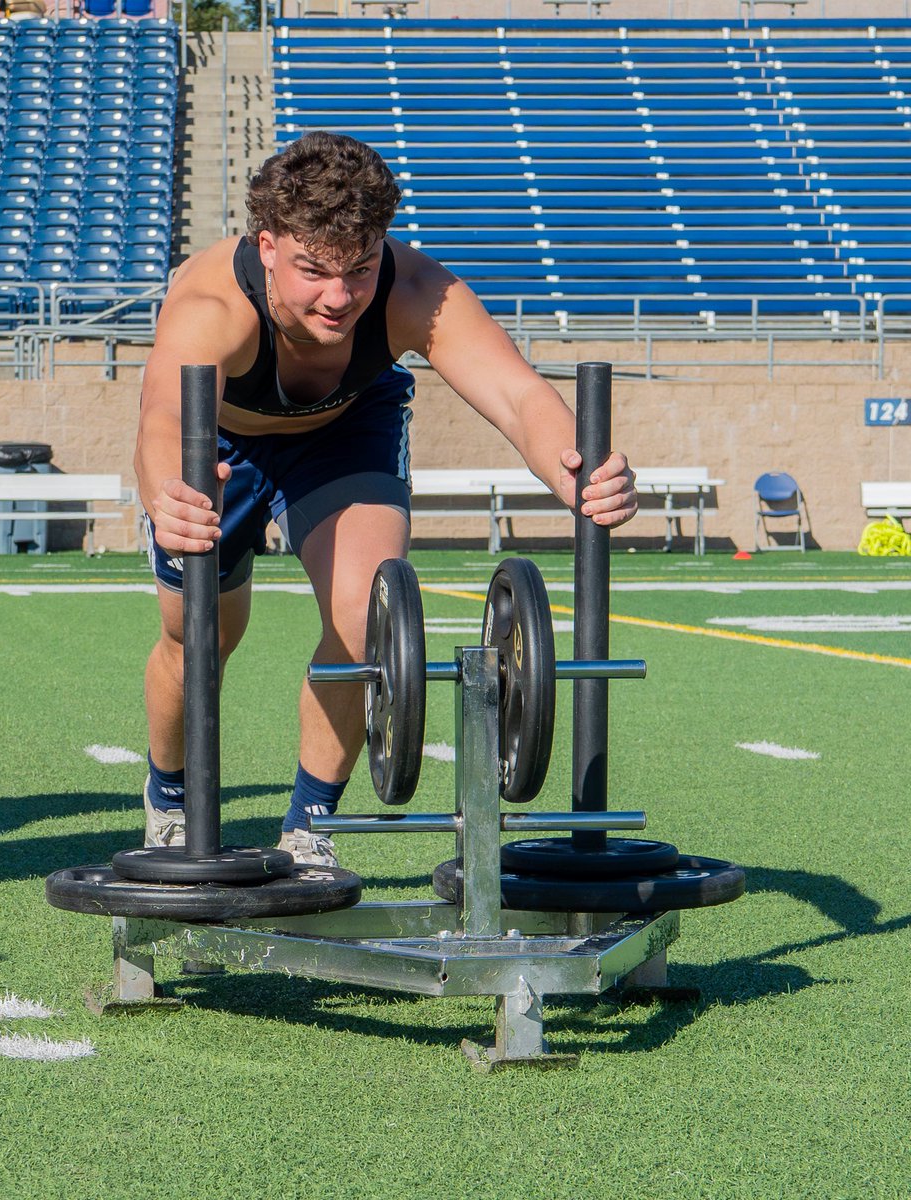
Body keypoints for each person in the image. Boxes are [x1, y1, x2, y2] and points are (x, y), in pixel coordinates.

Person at [135, 131, 638, 867]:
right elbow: (158, 418)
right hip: (216, 445)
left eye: (359, 271)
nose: (339, 297)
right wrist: (166, 494)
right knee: (199, 639)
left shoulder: (413, 292)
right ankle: (169, 800)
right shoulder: (212, 304)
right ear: (267, 245)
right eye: (314, 271)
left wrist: (576, 467)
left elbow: (518, 395)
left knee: (364, 614)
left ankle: (310, 826)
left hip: (345, 433)